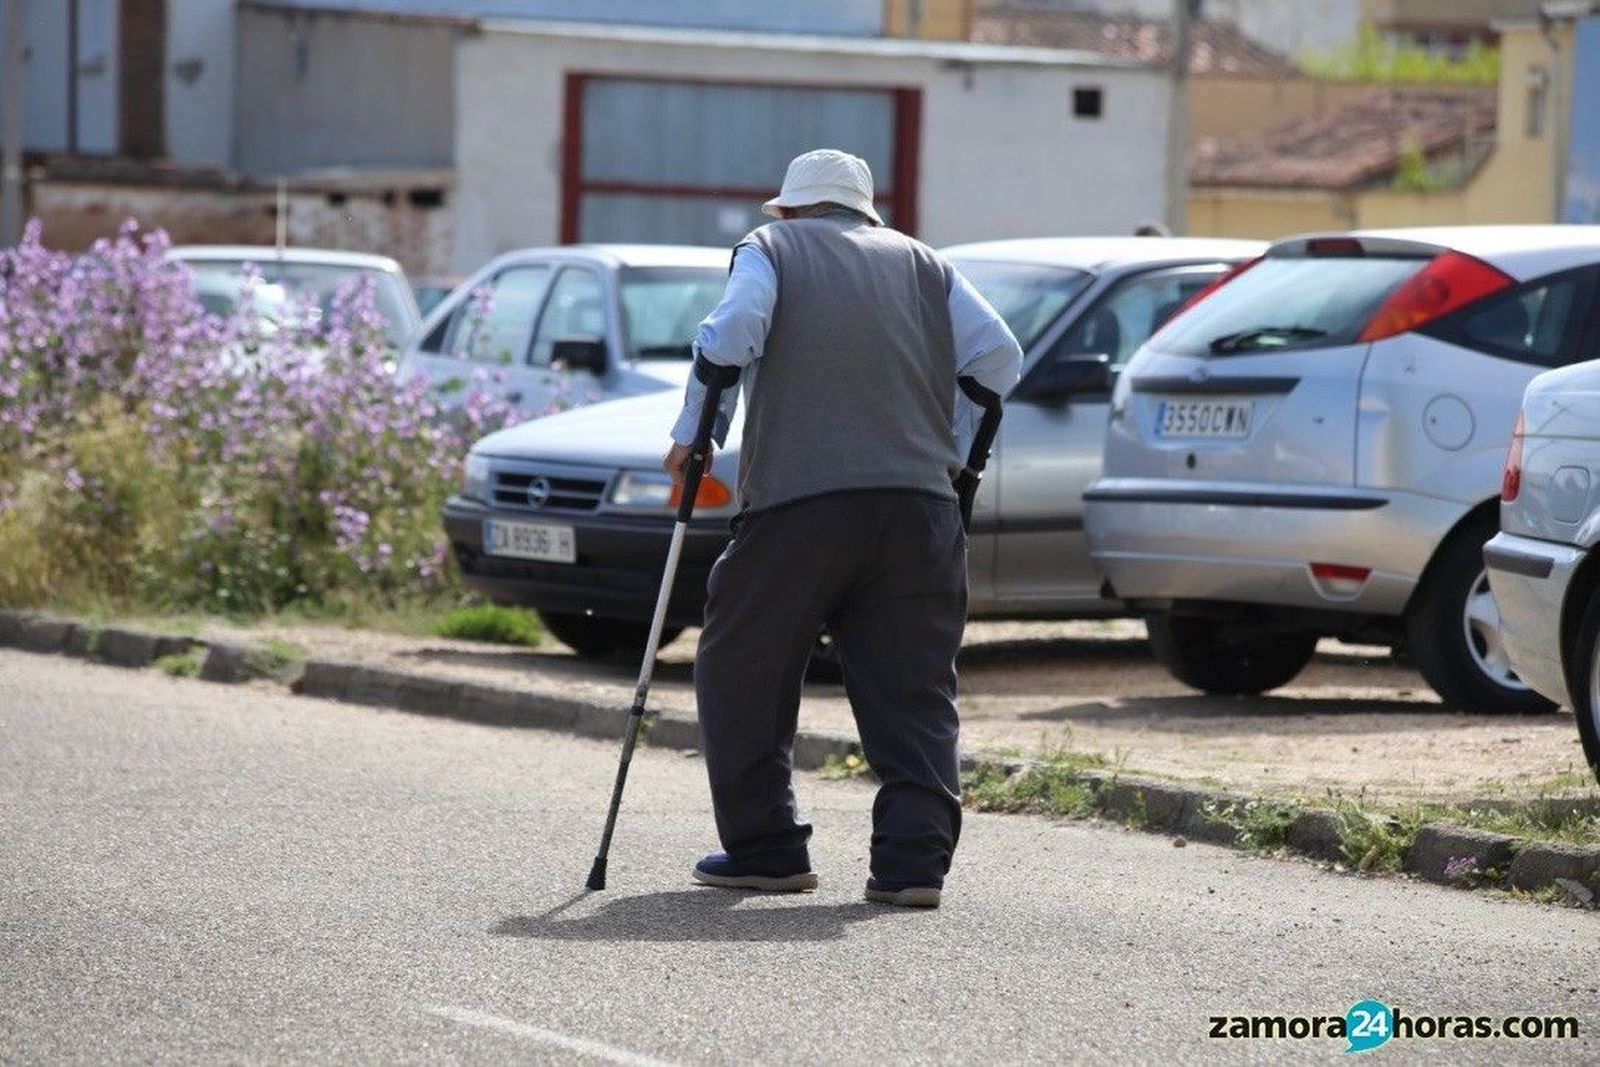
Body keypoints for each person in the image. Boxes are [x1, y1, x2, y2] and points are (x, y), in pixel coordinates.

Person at [664, 148, 1022, 909]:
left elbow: (731, 337)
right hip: (919, 508)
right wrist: (954, 461)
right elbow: (999, 358)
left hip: (800, 504)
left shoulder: (771, 248)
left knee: (743, 666)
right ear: (865, 213)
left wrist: (695, 432)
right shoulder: (925, 262)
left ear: (790, 209)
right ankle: (911, 865)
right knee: (914, 688)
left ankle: (766, 847)